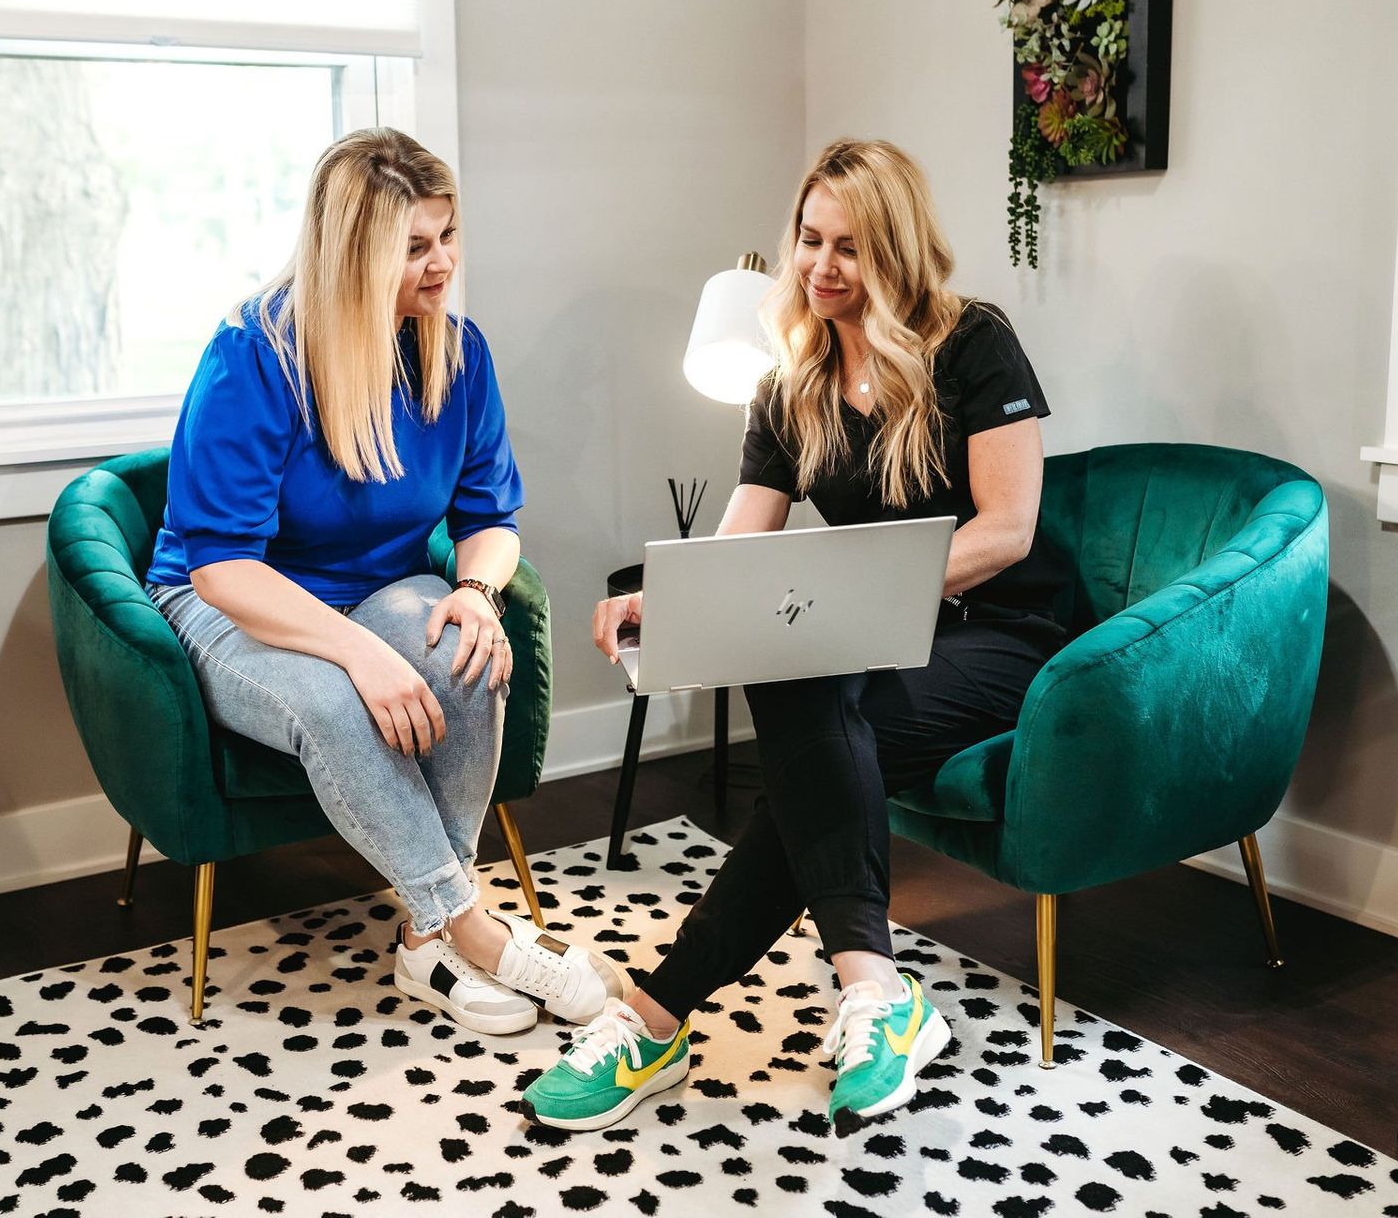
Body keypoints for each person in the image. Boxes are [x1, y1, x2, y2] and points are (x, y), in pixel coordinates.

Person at [524, 139, 1070, 1133]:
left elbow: (1009, 528)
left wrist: (865, 592)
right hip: (872, 637)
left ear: (899, 251)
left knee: (806, 751)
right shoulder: (793, 379)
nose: (823, 266)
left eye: (851, 248)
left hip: (999, 633)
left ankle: (656, 1015)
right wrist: (662, 593)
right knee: (789, 672)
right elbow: (745, 543)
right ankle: (873, 989)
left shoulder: (971, 343)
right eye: (810, 240)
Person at [144, 128, 626, 1036]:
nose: (441, 263)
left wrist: (478, 593)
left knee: (467, 652)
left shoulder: (455, 352)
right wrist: (357, 653)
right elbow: (221, 566)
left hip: (379, 586)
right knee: (331, 704)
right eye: (413, 248)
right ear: (354, 255)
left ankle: (423, 936)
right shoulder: (254, 354)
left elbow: (490, 521)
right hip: (235, 603)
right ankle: (471, 929)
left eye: (447, 236)